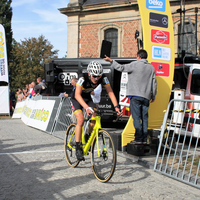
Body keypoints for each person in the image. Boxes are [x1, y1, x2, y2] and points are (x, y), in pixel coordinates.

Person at [71, 60, 122, 161]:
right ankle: (77, 147)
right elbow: (77, 95)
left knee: (94, 117)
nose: (96, 78)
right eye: (94, 76)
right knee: (80, 119)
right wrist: (86, 108)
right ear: (89, 73)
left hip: (88, 98)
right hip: (77, 99)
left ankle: (88, 136)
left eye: (98, 76)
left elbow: (110, 92)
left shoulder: (103, 78)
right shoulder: (82, 77)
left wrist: (116, 107)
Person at [104, 49, 157, 145]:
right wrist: (153, 95)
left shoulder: (134, 64)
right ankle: (144, 139)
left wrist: (111, 61)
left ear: (138, 56)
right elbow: (154, 83)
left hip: (135, 96)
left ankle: (138, 139)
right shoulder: (151, 68)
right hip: (146, 97)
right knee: (144, 118)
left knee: (136, 118)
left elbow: (121, 68)